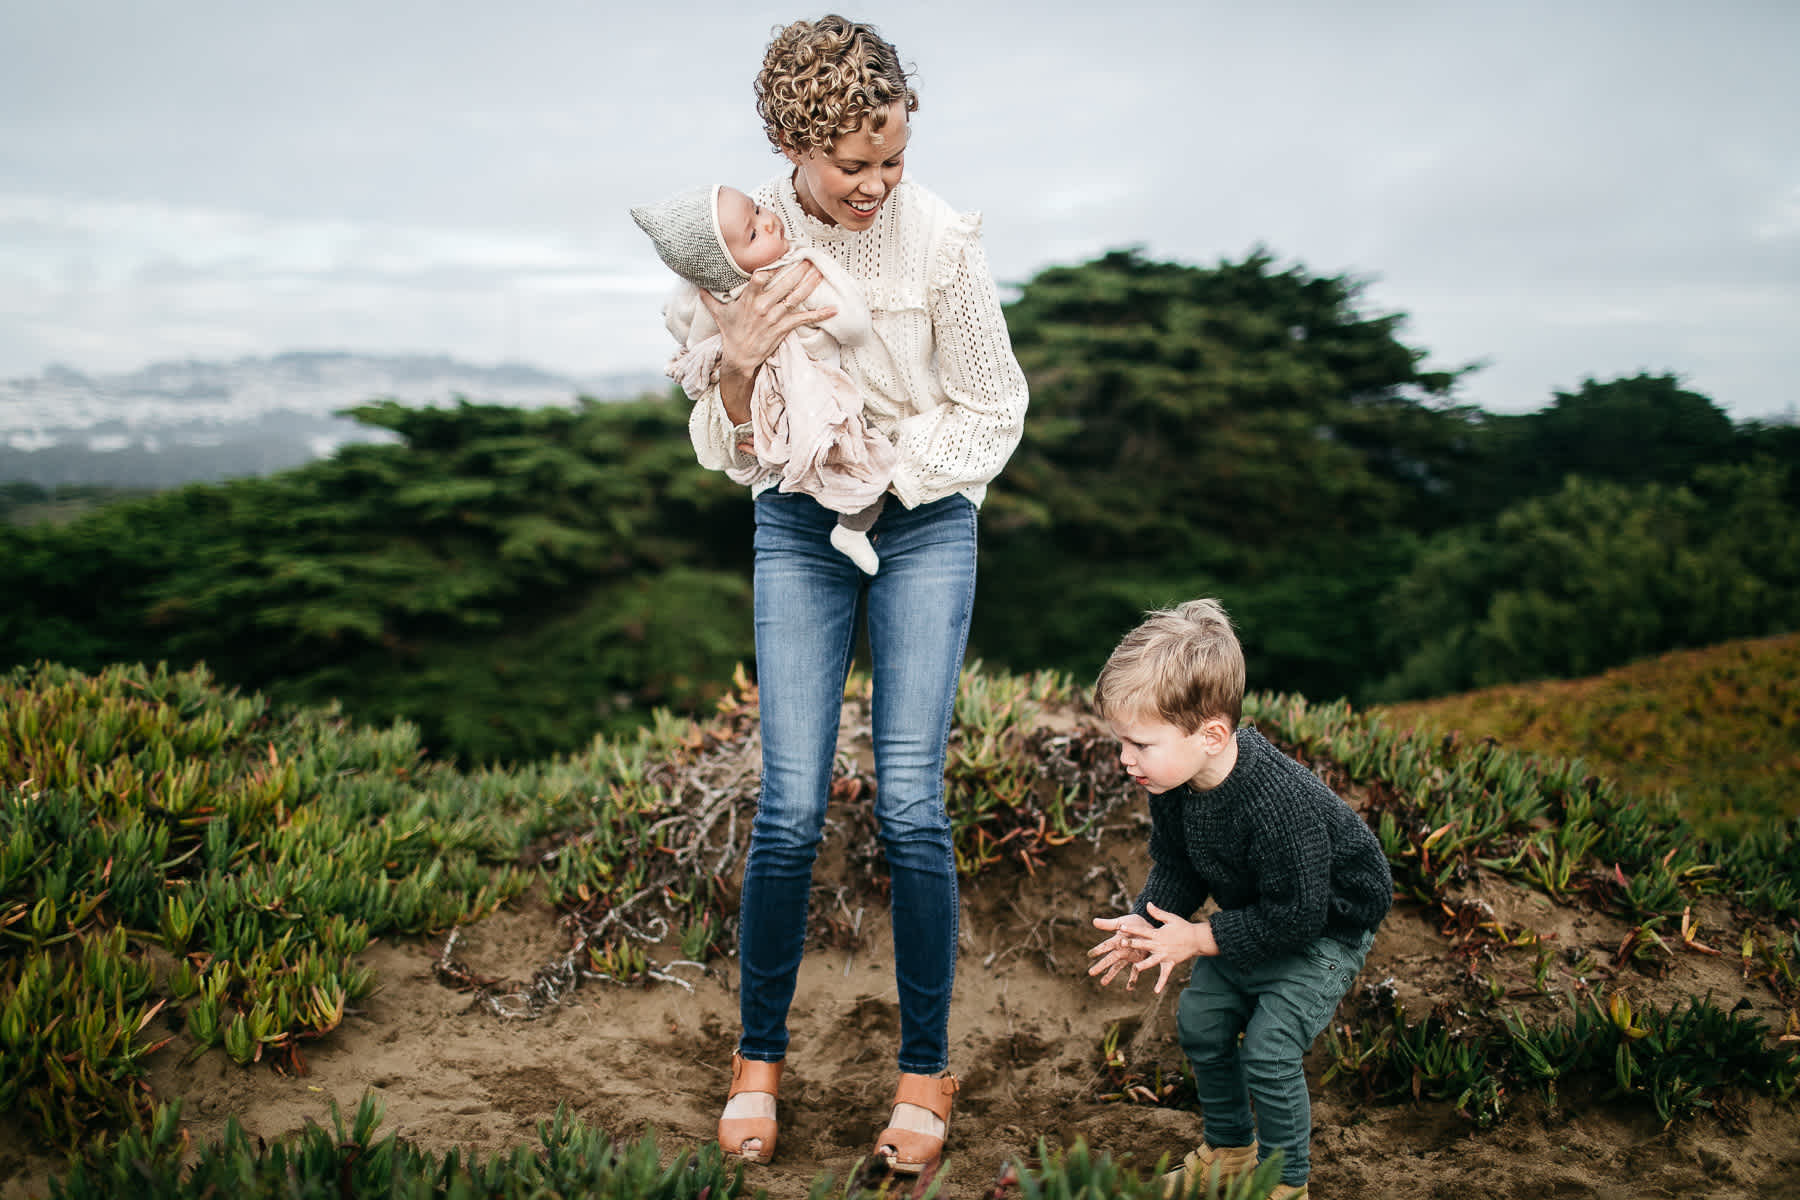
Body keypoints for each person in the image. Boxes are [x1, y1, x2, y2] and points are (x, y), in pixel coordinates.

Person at [660, 14, 1028, 1175]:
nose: (878, 185)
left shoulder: (942, 245)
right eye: (853, 167)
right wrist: (738, 364)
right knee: (789, 805)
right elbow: (723, 451)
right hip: (793, 521)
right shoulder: (734, 256)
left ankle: (926, 1071)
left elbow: (994, 408)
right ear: (789, 142)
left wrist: (882, 482)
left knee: (913, 802)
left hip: (924, 520)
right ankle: (756, 1059)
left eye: (894, 161)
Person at [1085, 599, 1392, 1200]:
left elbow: (1299, 916)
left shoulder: (1279, 805)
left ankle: (1285, 1185)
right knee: (1200, 1022)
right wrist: (1146, 922)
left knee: (1271, 1052)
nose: (1125, 759)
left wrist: (1197, 939)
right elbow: (1178, 865)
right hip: (1260, 917)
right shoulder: (1171, 780)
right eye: (1120, 742)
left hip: (1327, 928)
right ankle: (1229, 1152)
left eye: (1139, 744)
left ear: (1212, 734)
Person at [631, 182, 893, 573]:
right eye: (753, 234)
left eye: (756, 210)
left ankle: (816, 492)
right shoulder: (792, 273)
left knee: (798, 451)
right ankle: (852, 528)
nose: (768, 223)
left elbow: (678, 321)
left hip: (768, 416)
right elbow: (854, 326)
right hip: (808, 394)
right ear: (726, 266)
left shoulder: (701, 300)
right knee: (866, 460)